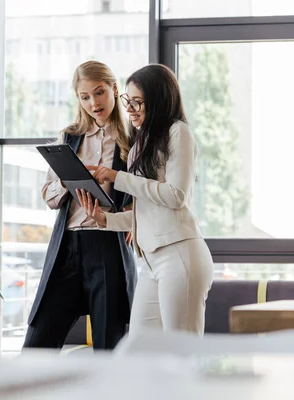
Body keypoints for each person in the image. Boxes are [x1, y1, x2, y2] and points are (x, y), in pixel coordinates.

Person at [77, 64, 214, 335]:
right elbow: (148, 209)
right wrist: (106, 220)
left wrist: (118, 177)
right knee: (139, 350)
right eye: (128, 101)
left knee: (182, 352)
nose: (129, 109)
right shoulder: (142, 141)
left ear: (159, 100)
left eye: (137, 102)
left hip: (179, 254)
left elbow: (176, 196)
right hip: (150, 261)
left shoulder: (178, 132)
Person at [23, 60, 137, 351]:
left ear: (113, 88)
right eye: (84, 97)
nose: (93, 103)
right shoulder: (68, 138)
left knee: (108, 350)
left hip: (108, 247)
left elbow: (146, 192)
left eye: (98, 93)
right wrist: (70, 178)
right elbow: (49, 197)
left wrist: (132, 216)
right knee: (37, 346)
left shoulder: (134, 140)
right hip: (66, 248)